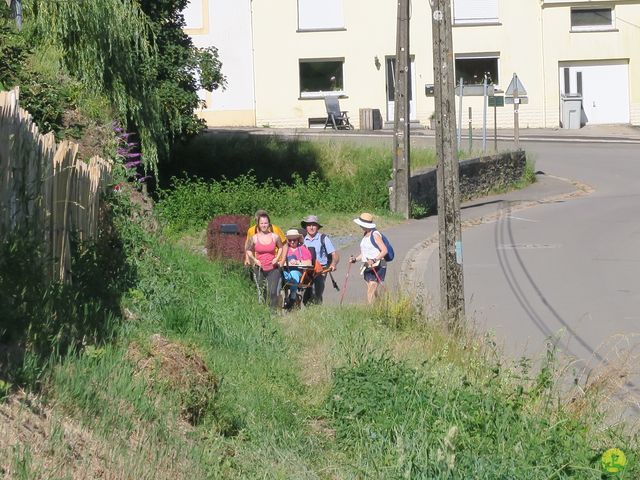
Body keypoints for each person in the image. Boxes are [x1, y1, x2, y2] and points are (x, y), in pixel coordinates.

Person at [245, 212, 285, 309]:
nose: (264, 225)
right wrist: (254, 260)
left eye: (266, 223)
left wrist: (277, 258)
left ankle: (273, 313)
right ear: (258, 224)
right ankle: (263, 312)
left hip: (273, 268)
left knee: (272, 291)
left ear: (269, 224)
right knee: (262, 292)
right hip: (259, 268)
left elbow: (281, 247)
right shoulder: (254, 238)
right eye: (262, 223)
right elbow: (248, 250)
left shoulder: (275, 236)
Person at [348, 212, 387, 304]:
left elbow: (384, 250)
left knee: (371, 290)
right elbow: (364, 254)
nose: (359, 226)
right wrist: (355, 260)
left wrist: (374, 260)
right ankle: (380, 306)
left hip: (379, 265)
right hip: (367, 266)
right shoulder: (365, 234)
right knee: (373, 290)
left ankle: (371, 311)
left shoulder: (375, 235)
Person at [301, 214, 339, 304]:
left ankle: (317, 312)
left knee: (316, 293)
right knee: (306, 297)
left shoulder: (323, 238)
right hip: (306, 270)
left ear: (317, 227)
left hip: (321, 270)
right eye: (309, 225)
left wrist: (333, 264)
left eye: (314, 225)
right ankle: (311, 314)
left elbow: (334, 254)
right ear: (306, 227)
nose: (311, 227)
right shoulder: (302, 240)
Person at [282, 229, 313, 309]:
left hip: (298, 272)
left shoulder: (302, 249)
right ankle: (281, 298)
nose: (292, 242)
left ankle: (292, 297)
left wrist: (298, 262)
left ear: (298, 240)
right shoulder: (284, 249)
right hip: (285, 271)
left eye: (294, 240)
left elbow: (309, 262)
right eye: (290, 240)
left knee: (294, 273)